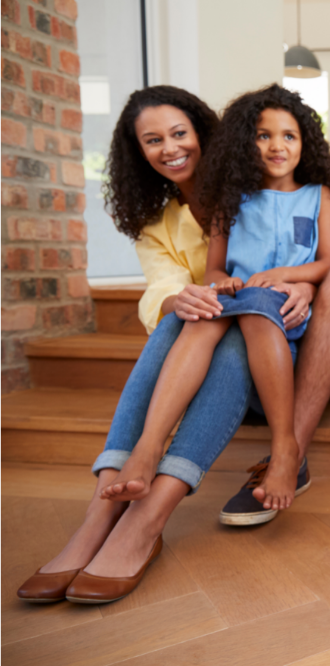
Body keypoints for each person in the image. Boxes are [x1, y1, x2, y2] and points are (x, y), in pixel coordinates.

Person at [16, 86, 304, 603]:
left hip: (266, 352)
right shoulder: (154, 222)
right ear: (138, 153)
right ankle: (101, 511)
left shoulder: (259, 183)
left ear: (202, 133)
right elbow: (160, 290)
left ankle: (146, 518)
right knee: (181, 314)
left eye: (178, 133)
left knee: (229, 333)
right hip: (195, 347)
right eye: (153, 140)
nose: (169, 148)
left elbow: (310, 248)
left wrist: (302, 284)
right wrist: (182, 299)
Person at [98, 85, 330, 521]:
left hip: (276, 317)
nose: (276, 146)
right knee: (194, 318)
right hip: (231, 304)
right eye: (263, 136)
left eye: (289, 136)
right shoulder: (229, 201)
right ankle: (148, 445)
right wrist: (218, 285)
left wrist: (295, 281)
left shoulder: (318, 195)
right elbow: (207, 273)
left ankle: (285, 445)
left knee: (246, 310)